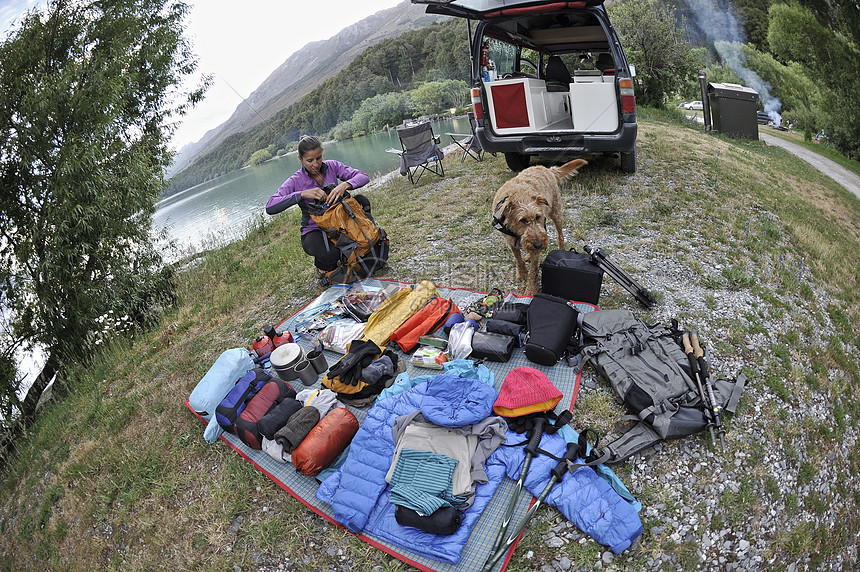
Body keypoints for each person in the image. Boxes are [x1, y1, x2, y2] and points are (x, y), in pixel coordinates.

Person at [265, 136, 371, 275]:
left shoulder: (332, 166)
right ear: (300, 159)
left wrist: (345, 185)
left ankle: (359, 243)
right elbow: (270, 206)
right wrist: (302, 194)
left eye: (319, 158)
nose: (315, 164)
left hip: (339, 222)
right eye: (309, 161)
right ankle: (323, 265)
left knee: (361, 201)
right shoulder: (295, 180)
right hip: (315, 230)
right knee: (331, 256)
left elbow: (363, 176)